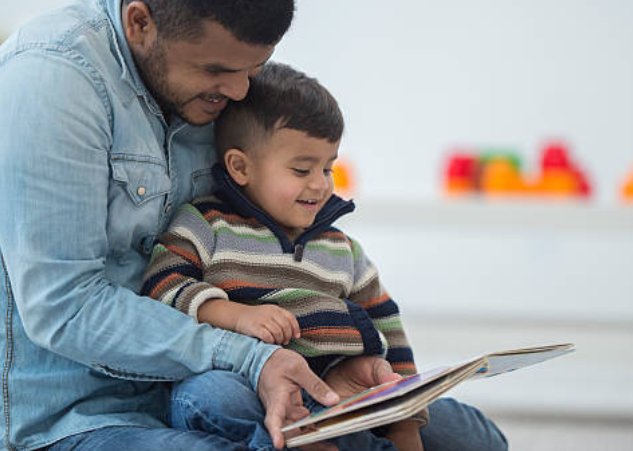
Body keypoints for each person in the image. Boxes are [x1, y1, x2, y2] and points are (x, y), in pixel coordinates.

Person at [0, 0, 506, 449]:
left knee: (468, 439)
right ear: (141, 24)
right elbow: (65, 308)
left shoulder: (205, 88)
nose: (238, 93)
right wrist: (251, 358)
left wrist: (339, 359)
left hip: (183, 382)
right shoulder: (50, 84)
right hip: (56, 421)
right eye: (217, 71)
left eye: (253, 69)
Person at [139, 62, 507, 451]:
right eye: (301, 169)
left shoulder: (341, 248)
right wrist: (237, 315)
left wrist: (404, 416)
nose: (320, 183)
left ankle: (332, 437)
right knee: (208, 396)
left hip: (341, 396)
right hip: (248, 386)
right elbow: (161, 286)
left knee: (473, 434)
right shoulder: (206, 224)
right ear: (240, 167)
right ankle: (313, 439)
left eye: (328, 167)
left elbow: (389, 327)